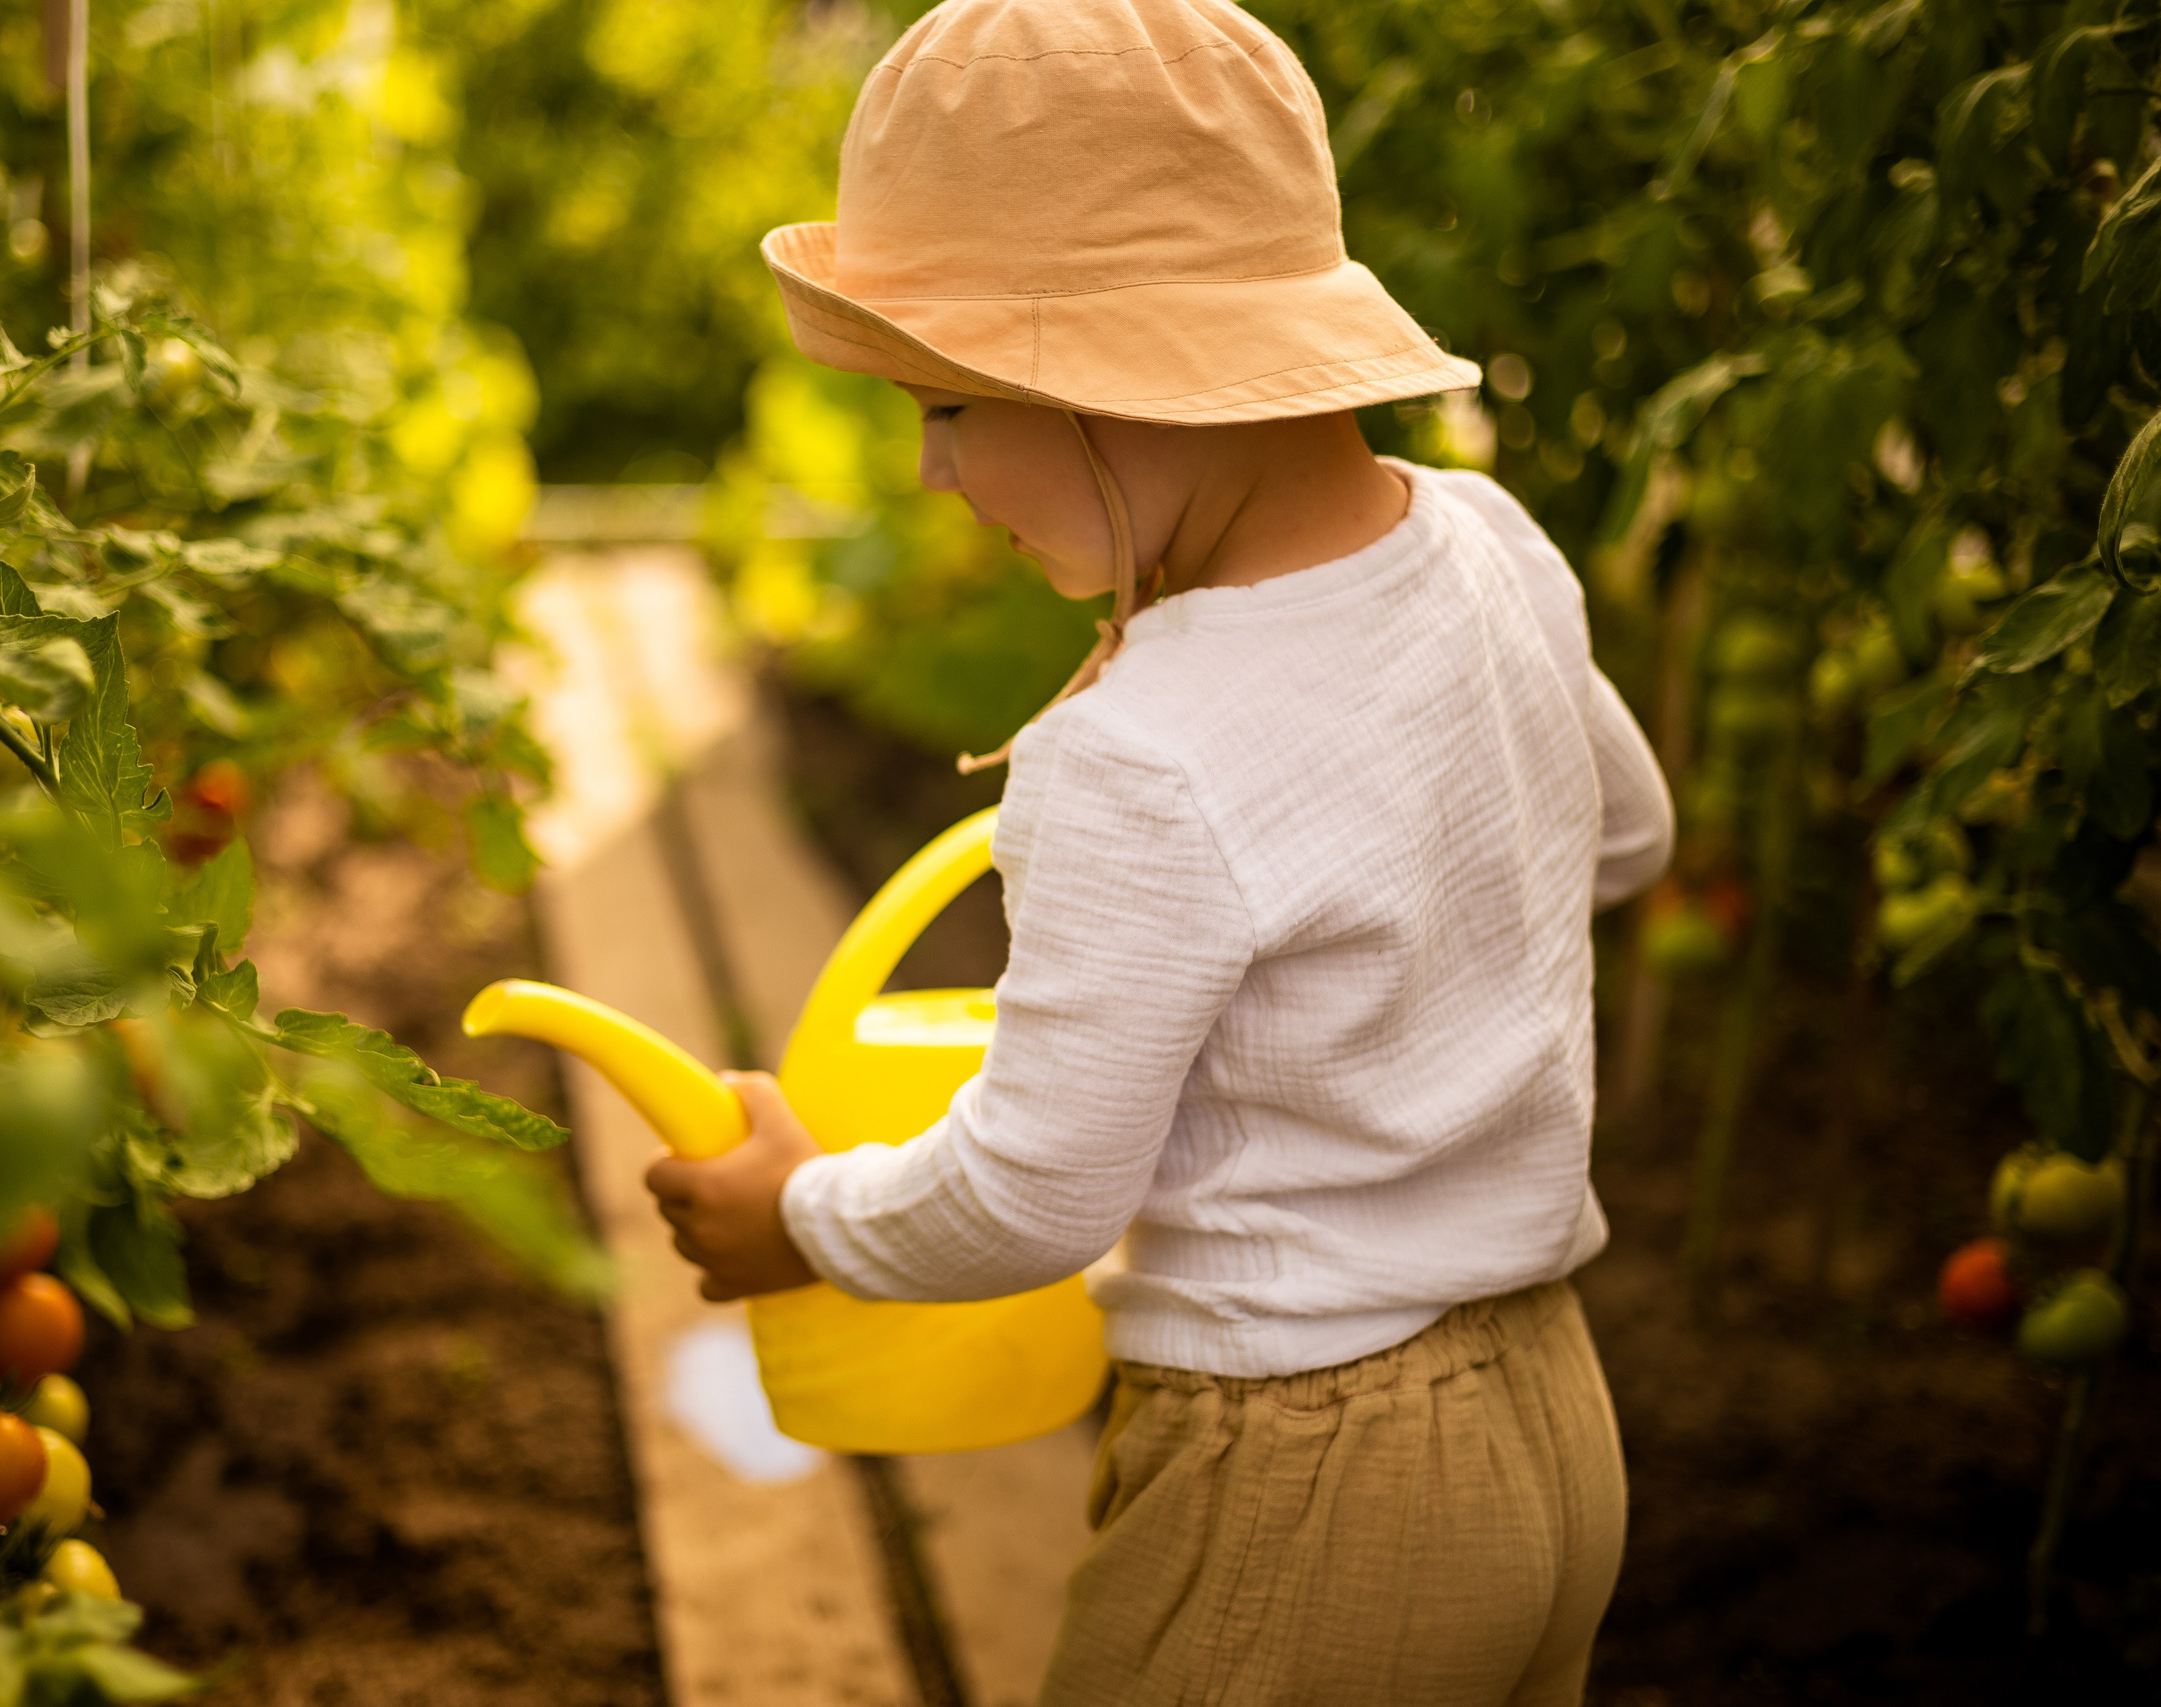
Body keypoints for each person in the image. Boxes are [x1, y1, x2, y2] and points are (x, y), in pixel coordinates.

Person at [643, 2, 1673, 1702]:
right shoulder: (1491, 543)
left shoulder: (1136, 749)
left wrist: (800, 1219)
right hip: (1553, 1436)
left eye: (953, 406)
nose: (933, 465)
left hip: (1304, 1480)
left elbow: (1033, 1196)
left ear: (1115, 380)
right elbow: (1622, 839)